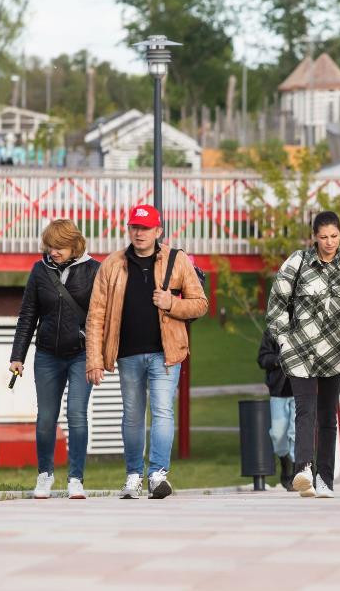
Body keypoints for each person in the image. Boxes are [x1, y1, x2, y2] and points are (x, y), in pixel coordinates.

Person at [86, 204, 208, 499]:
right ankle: (133, 476)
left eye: (146, 228)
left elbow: (201, 303)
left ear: (158, 231)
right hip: (127, 354)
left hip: (165, 353)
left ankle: (157, 475)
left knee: (163, 411)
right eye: (135, 228)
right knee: (132, 415)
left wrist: (172, 304)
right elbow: (96, 314)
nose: (139, 233)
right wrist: (94, 358)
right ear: (129, 229)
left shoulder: (177, 261)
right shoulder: (113, 264)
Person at [266, 210, 340, 499]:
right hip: (300, 351)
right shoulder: (298, 262)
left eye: (333, 236)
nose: (329, 242)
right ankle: (303, 469)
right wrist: (284, 340)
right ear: (314, 237)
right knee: (304, 410)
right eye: (323, 237)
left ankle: (325, 480)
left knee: (327, 415)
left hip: (335, 353)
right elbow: (277, 303)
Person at [9, 220, 100, 500]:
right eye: (49, 246)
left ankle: (76, 479)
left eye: (59, 246)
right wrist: (18, 356)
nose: (53, 252)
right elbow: (28, 315)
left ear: (74, 245)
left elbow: (101, 317)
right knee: (46, 418)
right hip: (47, 354)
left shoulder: (94, 270)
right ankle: (45, 475)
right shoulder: (40, 270)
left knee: (76, 414)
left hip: (80, 354)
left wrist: (99, 356)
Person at [257, 328, 296, 491]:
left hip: (300, 392)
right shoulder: (272, 332)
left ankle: (296, 473)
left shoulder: (306, 327)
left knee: (296, 433)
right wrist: (280, 360)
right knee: (278, 434)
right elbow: (262, 359)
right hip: (278, 391)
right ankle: (285, 461)